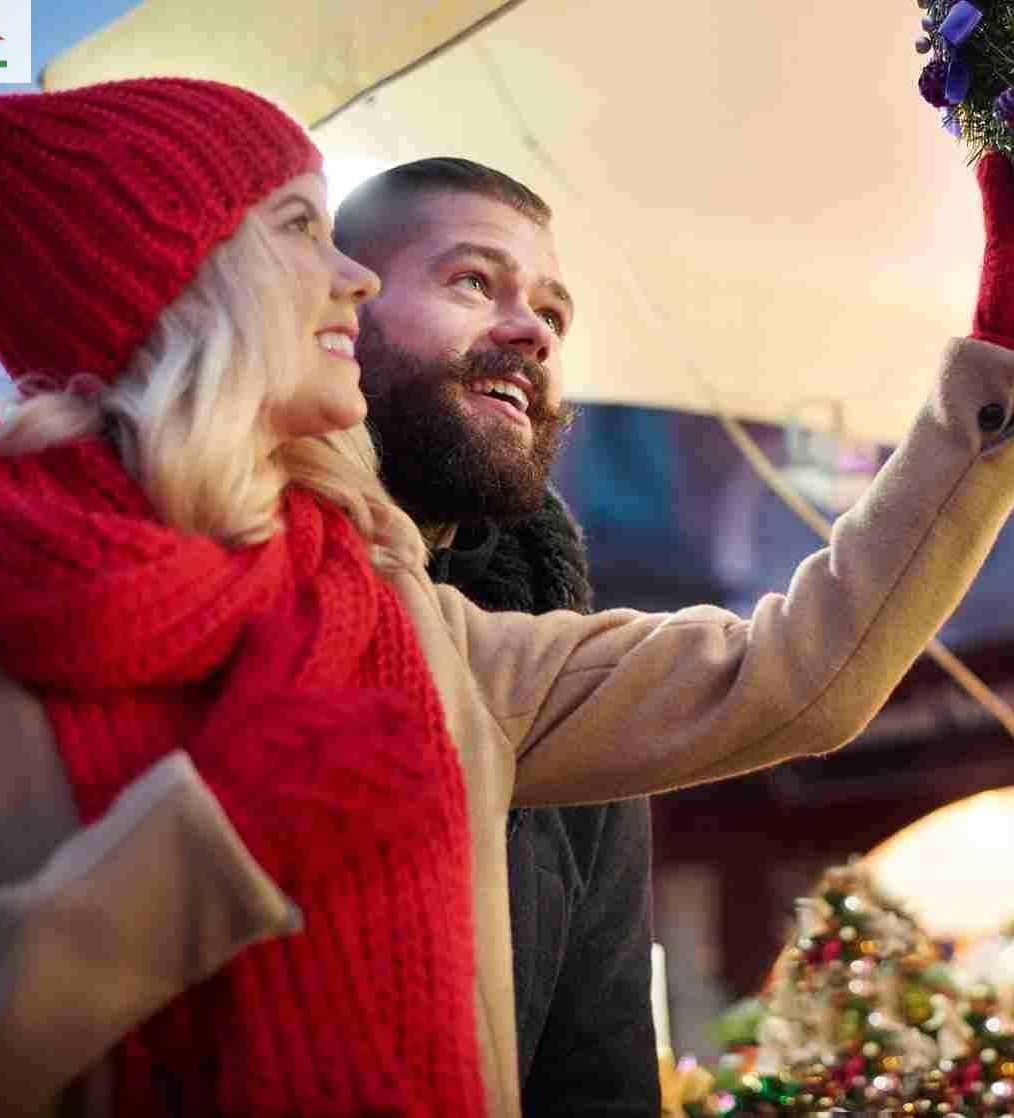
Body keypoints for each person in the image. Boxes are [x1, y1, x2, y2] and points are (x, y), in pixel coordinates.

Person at [0, 78, 1014, 1118]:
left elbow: (790, 673)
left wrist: (1013, 371)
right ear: (167, 274)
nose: (340, 274)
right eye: (300, 231)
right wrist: (209, 845)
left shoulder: (407, 621)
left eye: (552, 306)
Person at [334, 159, 659, 1115]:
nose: (531, 334)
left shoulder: (561, 672)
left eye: (554, 315)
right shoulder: (217, 580)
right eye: (474, 281)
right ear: (339, 308)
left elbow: (597, 1066)